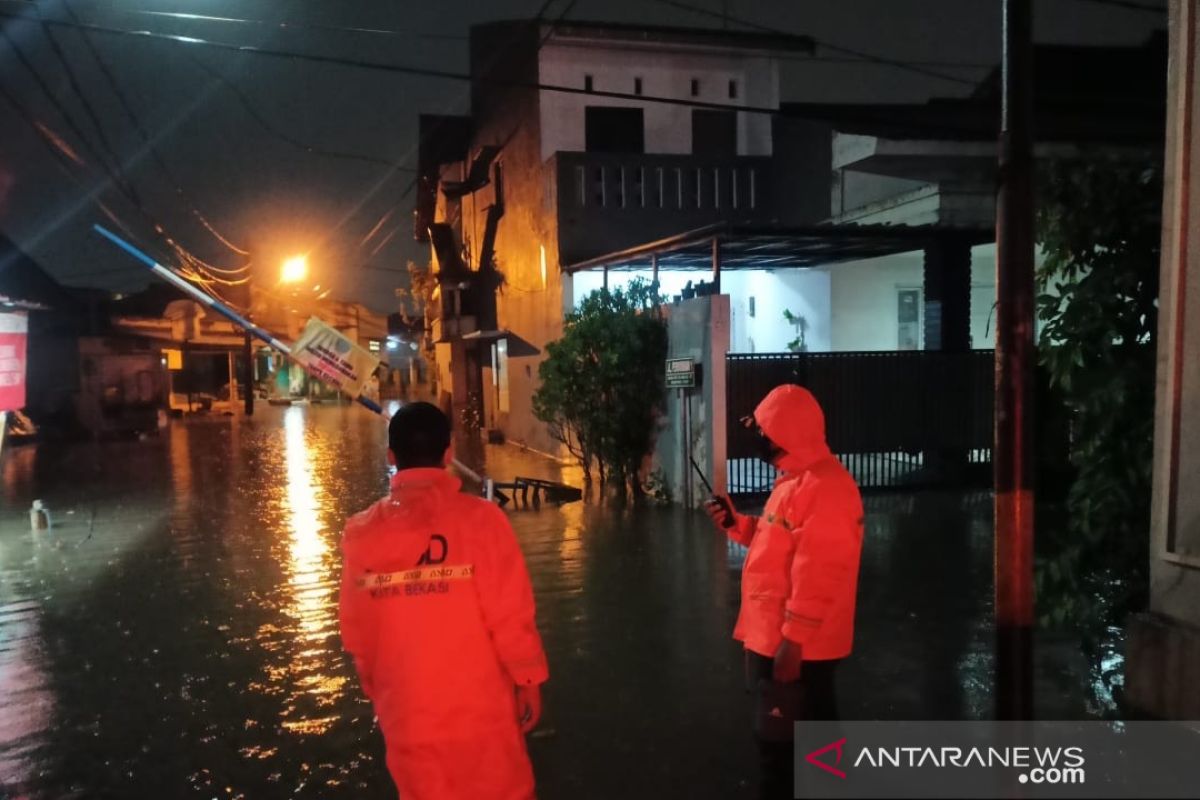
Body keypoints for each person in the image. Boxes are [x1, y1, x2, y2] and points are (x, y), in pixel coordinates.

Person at [339, 402, 548, 800]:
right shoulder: (483, 521)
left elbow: (357, 629)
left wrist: (378, 686)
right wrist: (528, 680)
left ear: (391, 458)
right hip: (482, 712)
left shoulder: (362, 533)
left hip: (409, 715)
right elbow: (510, 615)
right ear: (449, 453)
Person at [703, 385, 864, 799]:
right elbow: (776, 543)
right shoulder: (795, 481)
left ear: (786, 432)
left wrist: (793, 642)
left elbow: (820, 571)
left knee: (788, 750)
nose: (758, 438)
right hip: (782, 641)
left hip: (798, 649)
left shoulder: (825, 488)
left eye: (764, 430)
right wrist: (735, 524)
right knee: (798, 746)